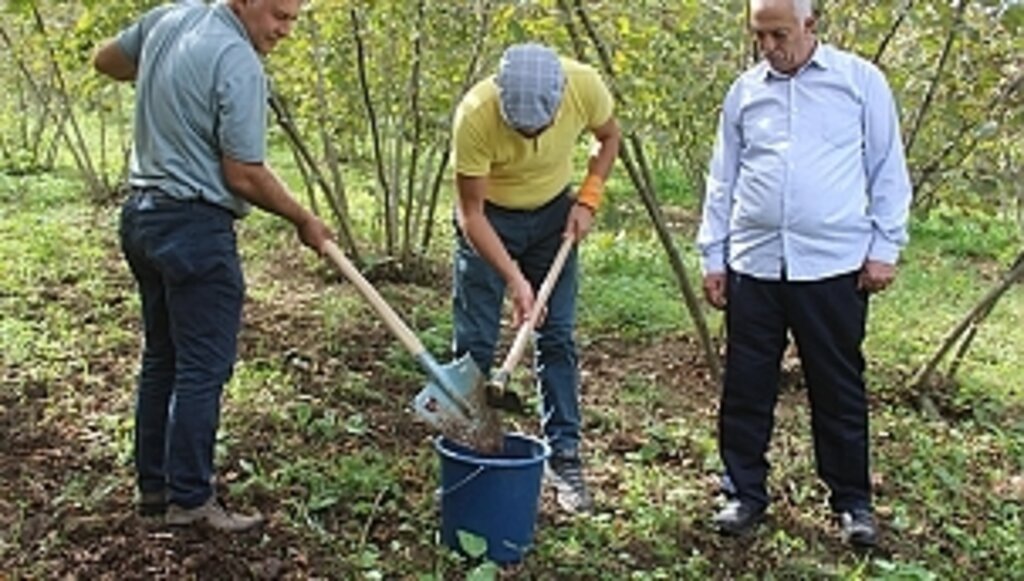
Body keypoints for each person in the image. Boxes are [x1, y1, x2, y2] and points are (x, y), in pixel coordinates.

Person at [93, 0, 333, 532]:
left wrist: (167, 79)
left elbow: (106, 60)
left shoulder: (170, 19)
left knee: (163, 358)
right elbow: (244, 173)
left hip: (142, 218)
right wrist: (303, 219)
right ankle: (190, 500)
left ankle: (153, 491)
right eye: (278, 15)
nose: (286, 30)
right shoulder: (238, 61)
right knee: (202, 368)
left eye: (294, 18)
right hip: (194, 229)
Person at [696, 0, 912, 547]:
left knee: (837, 385)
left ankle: (853, 503)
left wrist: (885, 245)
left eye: (779, 34)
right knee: (746, 385)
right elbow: (722, 178)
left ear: (810, 27)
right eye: (759, 36)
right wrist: (712, 256)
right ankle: (742, 492)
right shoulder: (745, 92)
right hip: (755, 263)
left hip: (833, 266)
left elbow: (887, 167)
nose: (768, 47)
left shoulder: (860, 82)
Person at [451, 43, 621, 513]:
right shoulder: (476, 113)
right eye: (518, 128)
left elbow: (609, 138)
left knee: (558, 336)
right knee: (475, 343)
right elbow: (471, 215)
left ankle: (564, 455)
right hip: (490, 221)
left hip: (553, 218)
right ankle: (470, 449)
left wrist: (588, 199)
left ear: (560, 100)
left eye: (537, 128)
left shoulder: (583, 85)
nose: (528, 138)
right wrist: (514, 279)